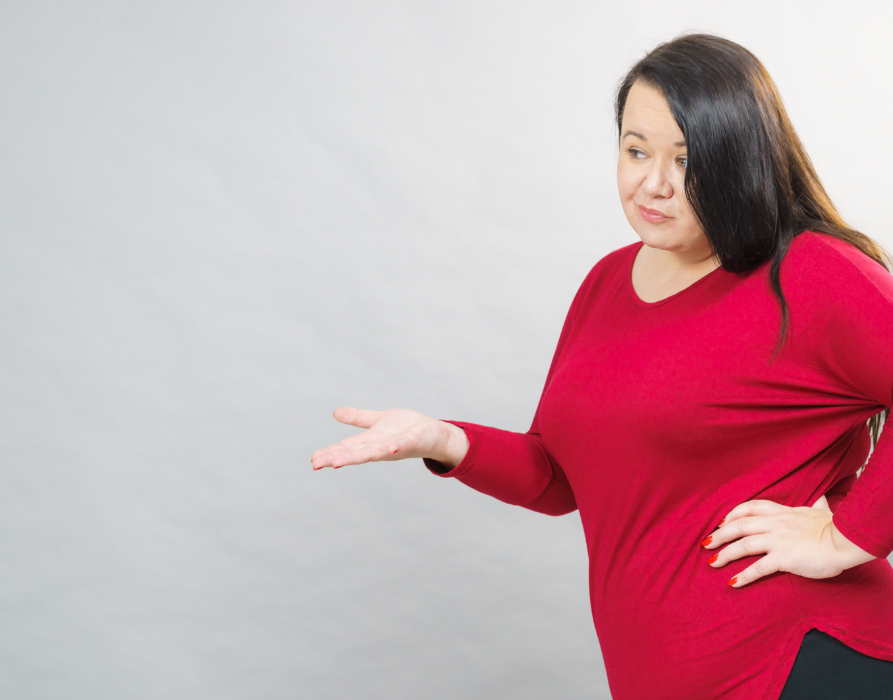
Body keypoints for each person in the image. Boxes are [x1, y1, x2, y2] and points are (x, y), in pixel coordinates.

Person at [309, 34, 893, 699]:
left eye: (687, 159)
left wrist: (849, 536)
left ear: (739, 161)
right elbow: (559, 478)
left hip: (802, 662)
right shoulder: (607, 283)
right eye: (636, 149)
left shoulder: (810, 273)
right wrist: (444, 440)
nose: (654, 183)